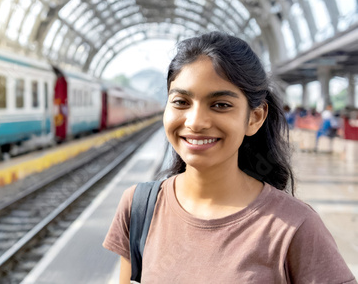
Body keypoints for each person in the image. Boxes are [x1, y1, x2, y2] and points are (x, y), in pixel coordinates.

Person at [103, 32, 356, 283]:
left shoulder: (295, 226)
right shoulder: (139, 207)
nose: (196, 122)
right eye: (181, 102)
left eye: (220, 105)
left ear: (255, 117)